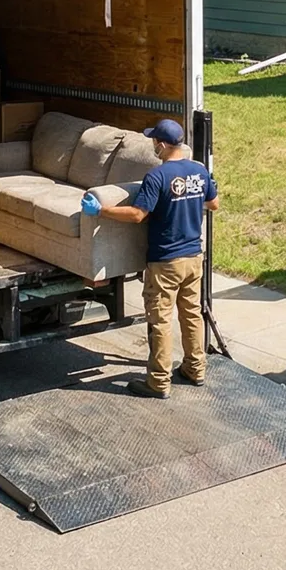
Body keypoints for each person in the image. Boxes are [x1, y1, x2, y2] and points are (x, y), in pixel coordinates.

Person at [85, 119, 218, 400]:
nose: (153, 146)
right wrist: (188, 204)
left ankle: (158, 381)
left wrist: (101, 211)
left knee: (160, 320)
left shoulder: (157, 177)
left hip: (166, 260)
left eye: (153, 142)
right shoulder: (199, 171)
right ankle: (195, 369)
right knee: (191, 314)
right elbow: (213, 203)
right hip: (194, 257)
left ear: (161, 144)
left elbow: (137, 215)